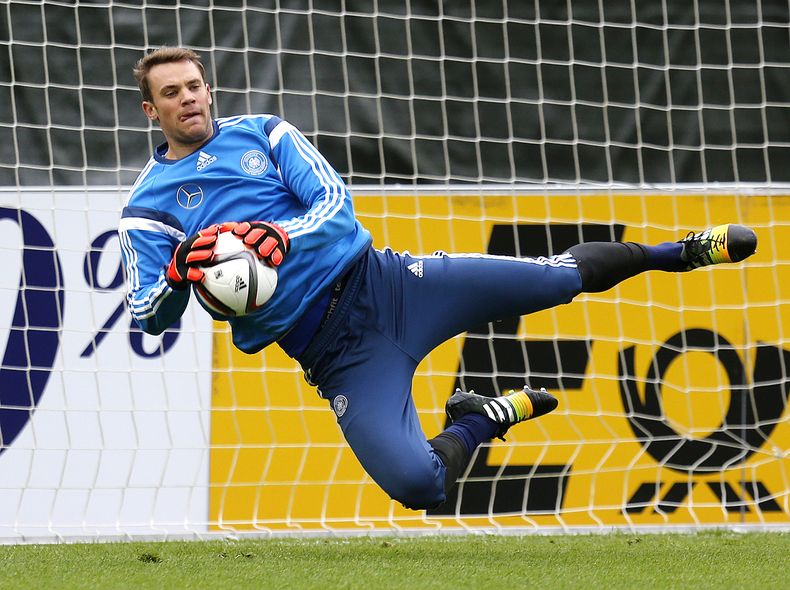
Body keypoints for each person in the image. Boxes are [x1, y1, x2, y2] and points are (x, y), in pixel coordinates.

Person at [119, 47, 758, 510]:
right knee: (418, 486)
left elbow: (337, 208)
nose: (189, 99)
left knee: (556, 282)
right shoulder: (146, 210)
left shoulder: (264, 133)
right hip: (337, 355)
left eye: (195, 86)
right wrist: (179, 275)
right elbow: (146, 313)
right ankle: (483, 417)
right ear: (153, 110)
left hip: (391, 285)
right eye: (172, 93)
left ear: (209, 88)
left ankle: (680, 251)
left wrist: (279, 237)